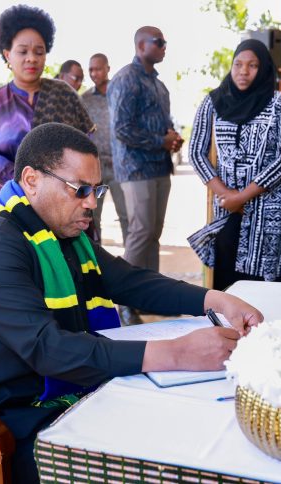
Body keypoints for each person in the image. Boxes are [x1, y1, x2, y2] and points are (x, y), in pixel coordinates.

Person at [0, 122, 263, 483]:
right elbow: (48, 349)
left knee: (185, 431)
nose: (91, 203)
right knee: (155, 464)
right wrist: (177, 353)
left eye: (96, 190)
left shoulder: (56, 233)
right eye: (79, 189)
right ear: (32, 180)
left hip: (51, 402)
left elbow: (129, 281)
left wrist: (217, 300)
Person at [188, 39, 281, 290]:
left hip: (269, 213)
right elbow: (196, 152)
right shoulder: (214, 102)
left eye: (252, 65)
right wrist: (226, 195)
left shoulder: (280, 105)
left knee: (268, 291)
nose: (243, 71)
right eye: (238, 64)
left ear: (264, 69)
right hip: (227, 210)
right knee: (227, 287)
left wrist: (242, 197)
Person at [0, 4, 94, 211]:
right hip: (5, 202)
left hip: (60, 202)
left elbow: (85, 143)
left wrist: (61, 181)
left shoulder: (64, 94)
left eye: (39, 52)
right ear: (7, 55)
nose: (31, 58)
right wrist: (28, 183)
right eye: (22, 51)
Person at [107, 26, 182, 325]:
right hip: (136, 168)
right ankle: (123, 303)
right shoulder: (126, 78)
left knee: (152, 235)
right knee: (140, 233)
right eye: (159, 42)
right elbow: (121, 129)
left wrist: (172, 138)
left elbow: (162, 124)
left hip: (160, 166)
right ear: (141, 46)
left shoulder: (158, 84)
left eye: (165, 42)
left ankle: (150, 298)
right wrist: (159, 141)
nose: (164, 46)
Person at [81, 53, 128, 242]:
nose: (94, 73)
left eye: (98, 69)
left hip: (119, 167)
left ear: (108, 69)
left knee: (126, 215)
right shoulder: (85, 99)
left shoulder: (121, 95)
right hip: (95, 170)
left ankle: (131, 257)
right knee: (93, 217)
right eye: (91, 70)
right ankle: (96, 256)